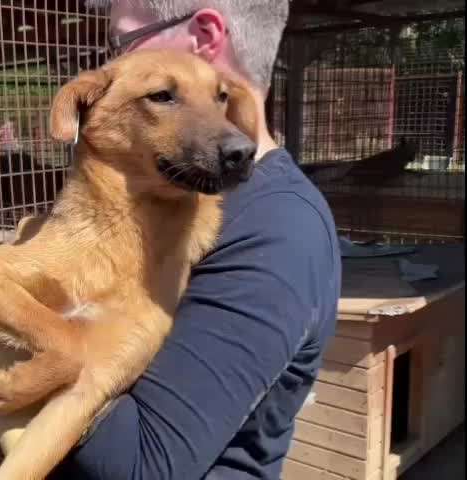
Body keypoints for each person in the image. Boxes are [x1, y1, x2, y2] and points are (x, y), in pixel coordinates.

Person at [45, 1, 342, 479]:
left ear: (202, 38)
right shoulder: (175, 192)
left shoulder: (278, 229)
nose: (109, 63)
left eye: (121, 41)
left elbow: (142, 466)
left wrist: (8, 318)